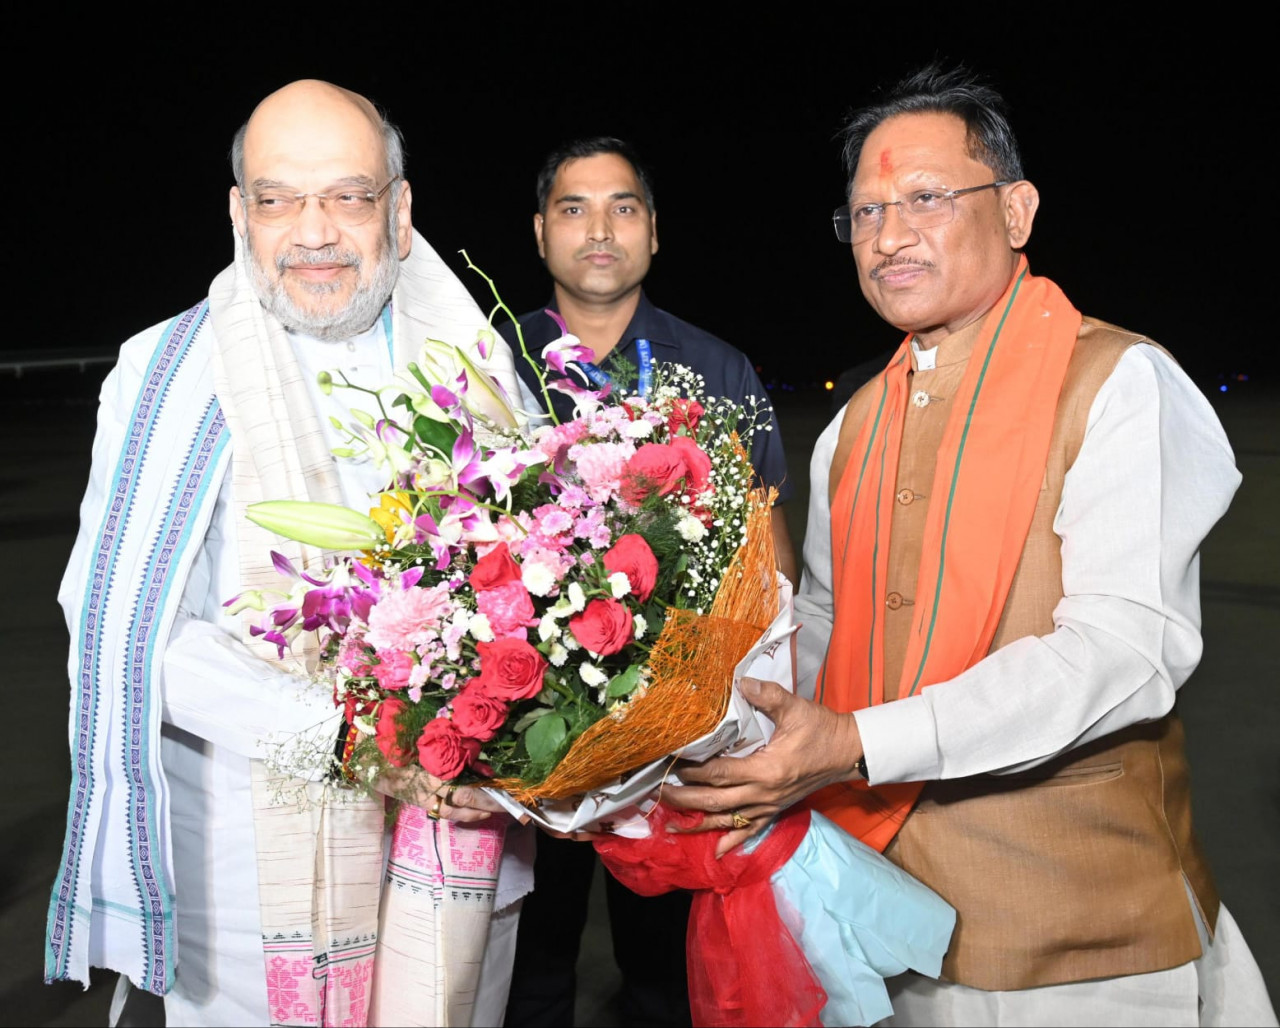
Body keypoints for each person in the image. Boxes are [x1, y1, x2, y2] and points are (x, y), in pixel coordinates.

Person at [666, 63, 1278, 1027]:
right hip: (883, 911)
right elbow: (823, 619)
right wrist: (699, 719)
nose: (889, 236)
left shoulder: (1120, 382)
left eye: (927, 198)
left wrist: (854, 744)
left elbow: (1124, 652)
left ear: (1018, 210)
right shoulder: (852, 425)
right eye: (866, 213)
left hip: (1082, 934)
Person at [45, 79, 531, 1027]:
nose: (313, 232)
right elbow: (131, 636)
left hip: (464, 856)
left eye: (348, 196)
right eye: (277, 199)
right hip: (249, 891)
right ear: (241, 215)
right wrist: (354, 741)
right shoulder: (165, 376)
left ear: (398, 210)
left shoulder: (477, 366)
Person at [499, 137, 796, 1028]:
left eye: (622, 208)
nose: (600, 229)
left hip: (675, 745)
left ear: (655, 232)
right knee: (525, 971)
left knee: (667, 977)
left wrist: (736, 709)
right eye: (574, 208)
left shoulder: (717, 370)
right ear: (540, 232)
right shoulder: (488, 367)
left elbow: (771, 555)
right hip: (521, 745)